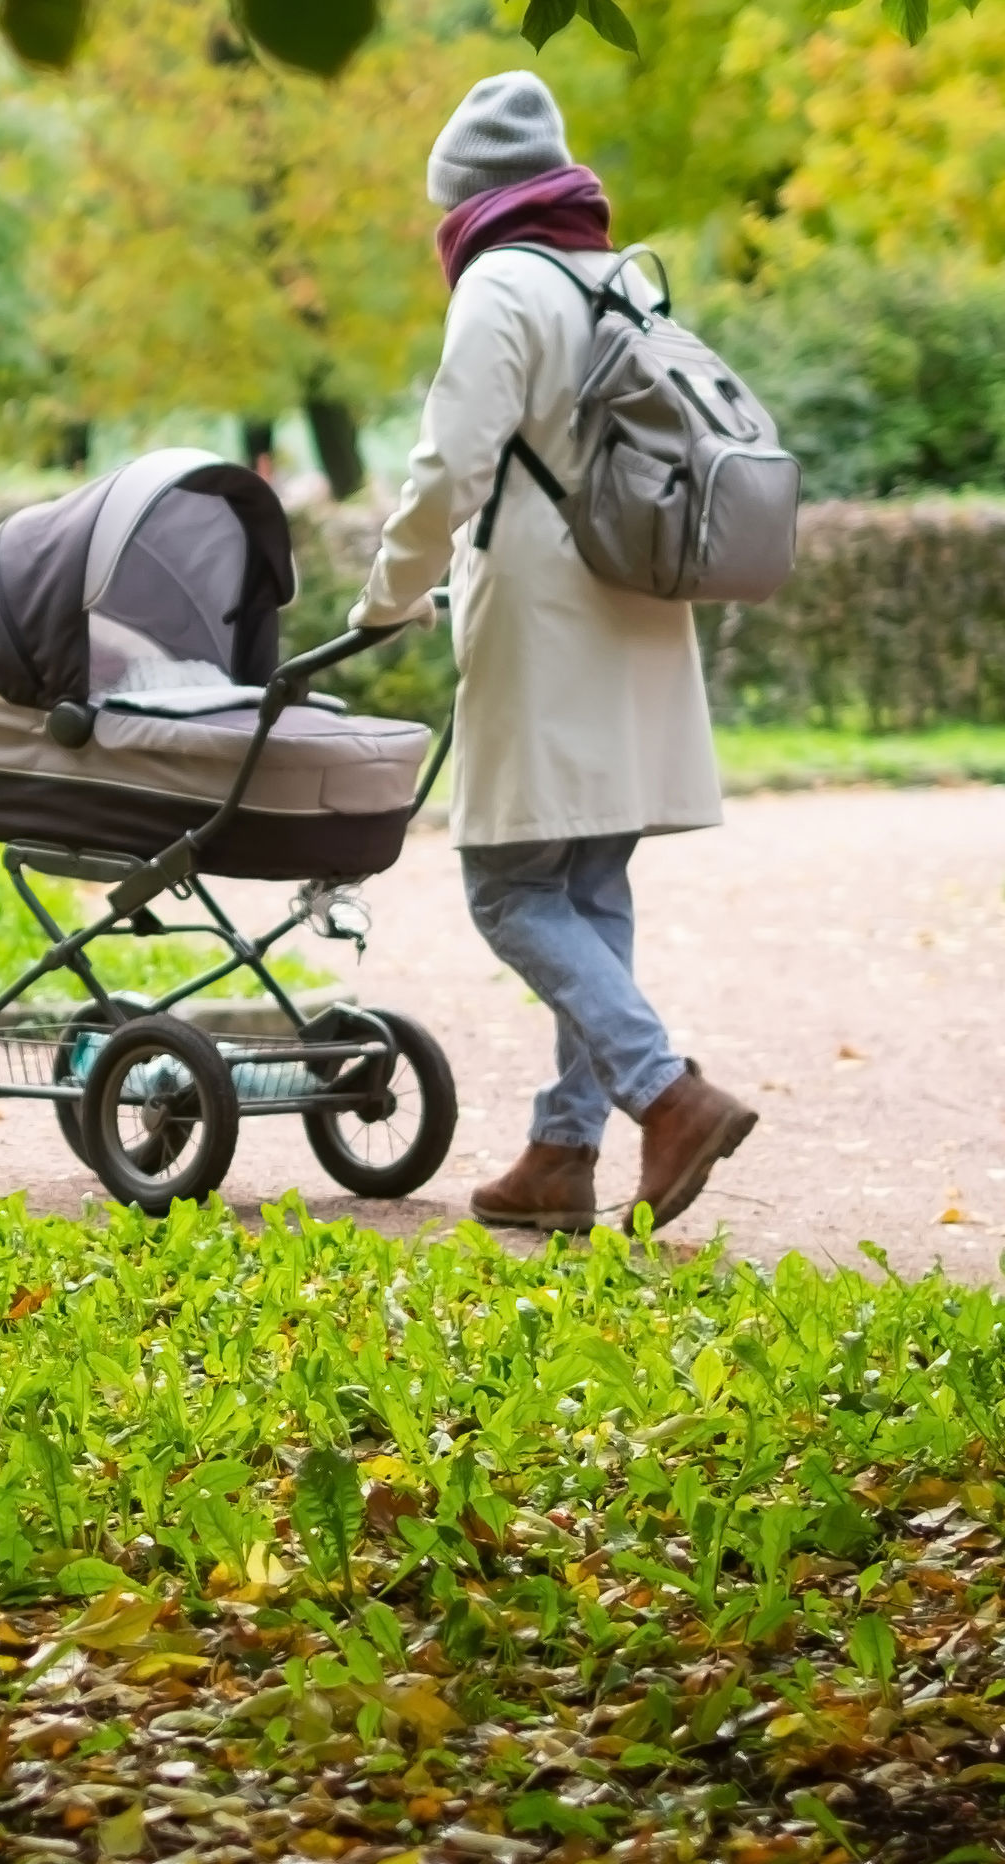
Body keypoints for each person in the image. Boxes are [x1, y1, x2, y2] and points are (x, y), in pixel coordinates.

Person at [348, 71, 757, 1235]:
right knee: (588, 884)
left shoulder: (502, 285)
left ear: (466, 199)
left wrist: (387, 596)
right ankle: (561, 1153)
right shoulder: (621, 281)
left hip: (551, 619)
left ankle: (665, 1094)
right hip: (638, 606)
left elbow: (448, 467)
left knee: (510, 888)